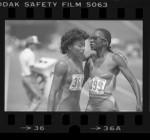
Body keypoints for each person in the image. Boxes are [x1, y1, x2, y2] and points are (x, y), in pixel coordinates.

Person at [83, 28, 142, 112]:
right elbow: (82, 80)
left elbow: (133, 81)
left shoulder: (115, 59)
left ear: (105, 42)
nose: (91, 41)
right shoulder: (90, 60)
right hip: (91, 106)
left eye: (95, 38)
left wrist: (139, 102)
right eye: (91, 38)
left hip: (108, 106)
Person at [47, 28, 95, 111]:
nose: (83, 48)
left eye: (84, 45)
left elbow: (92, 52)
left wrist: (109, 52)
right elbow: (52, 93)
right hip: (62, 109)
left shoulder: (80, 58)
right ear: (69, 46)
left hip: (77, 109)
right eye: (80, 46)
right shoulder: (62, 64)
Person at [19, 35, 43, 111]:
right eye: (35, 44)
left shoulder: (22, 53)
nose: (36, 46)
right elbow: (32, 68)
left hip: (23, 77)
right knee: (38, 98)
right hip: (30, 78)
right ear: (30, 44)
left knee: (30, 99)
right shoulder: (31, 54)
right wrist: (41, 73)